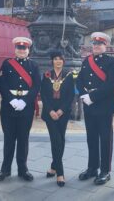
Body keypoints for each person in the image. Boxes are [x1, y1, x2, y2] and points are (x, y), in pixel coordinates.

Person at [0, 37, 40, 182]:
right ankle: (5, 169)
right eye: (19, 48)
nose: (21, 50)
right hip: (9, 107)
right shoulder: (7, 64)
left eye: (24, 48)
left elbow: (36, 86)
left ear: (28, 50)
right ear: (15, 49)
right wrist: (12, 99)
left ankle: (23, 169)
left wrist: (25, 101)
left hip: (26, 108)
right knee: (9, 139)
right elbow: (1, 83)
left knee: (23, 139)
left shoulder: (34, 65)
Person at [76, 32, 114, 186]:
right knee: (91, 138)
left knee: (105, 139)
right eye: (94, 44)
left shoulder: (110, 61)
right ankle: (92, 167)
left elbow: (110, 84)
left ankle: (105, 171)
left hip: (104, 106)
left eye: (99, 44)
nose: (96, 46)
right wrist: (83, 94)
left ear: (105, 46)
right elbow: (79, 80)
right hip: (89, 106)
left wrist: (92, 97)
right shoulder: (86, 61)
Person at [40, 51, 75, 187]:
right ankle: (60, 173)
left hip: (63, 113)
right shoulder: (46, 75)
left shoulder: (68, 75)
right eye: (56, 59)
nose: (58, 61)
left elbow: (70, 95)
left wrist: (61, 110)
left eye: (61, 59)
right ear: (52, 61)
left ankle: (53, 166)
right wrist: (50, 110)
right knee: (56, 140)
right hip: (50, 113)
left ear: (63, 61)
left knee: (61, 139)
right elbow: (43, 94)